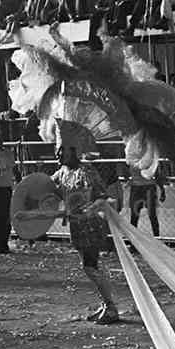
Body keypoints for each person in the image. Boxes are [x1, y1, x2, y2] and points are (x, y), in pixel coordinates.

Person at [51, 135, 120, 324]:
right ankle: (107, 304)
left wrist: (89, 208)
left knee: (91, 265)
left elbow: (102, 196)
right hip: (76, 226)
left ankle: (111, 307)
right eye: (57, 149)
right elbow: (47, 187)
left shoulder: (87, 170)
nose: (57, 154)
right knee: (89, 265)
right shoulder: (62, 172)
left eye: (61, 149)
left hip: (90, 225)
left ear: (72, 150)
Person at [128, 164, 167, 237]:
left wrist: (162, 190)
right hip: (143, 186)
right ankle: (133, 239)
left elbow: (157, 175)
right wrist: (162, 190)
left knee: (149, 215)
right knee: (137, 216)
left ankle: (156, 237)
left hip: (144, 186)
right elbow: (157, 175)